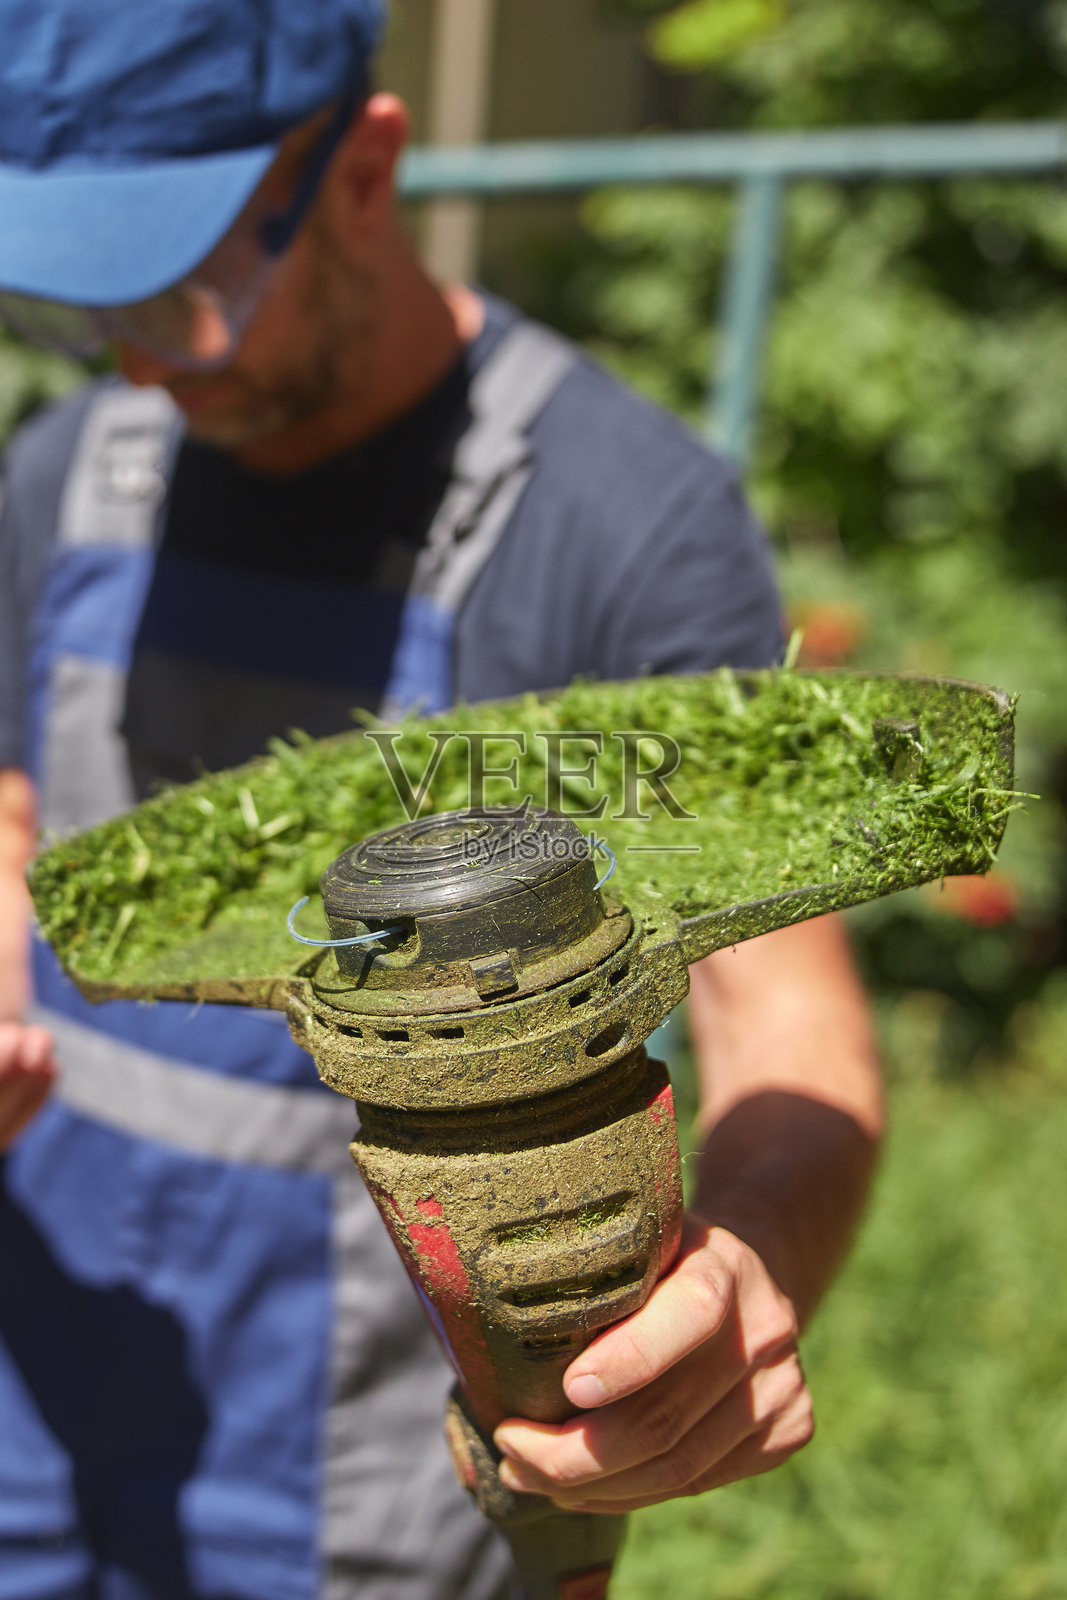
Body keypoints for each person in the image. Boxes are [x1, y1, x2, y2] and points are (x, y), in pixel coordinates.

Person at [0, 2, 883, 1597]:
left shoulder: (625, 524)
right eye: (85, 299)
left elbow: (792, 1024)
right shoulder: (65, 472)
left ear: (364, 167)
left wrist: (748, 1263)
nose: (140, 354)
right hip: (47, 1399)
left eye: (190, 287)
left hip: (380, 1483)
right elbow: (12, 825)